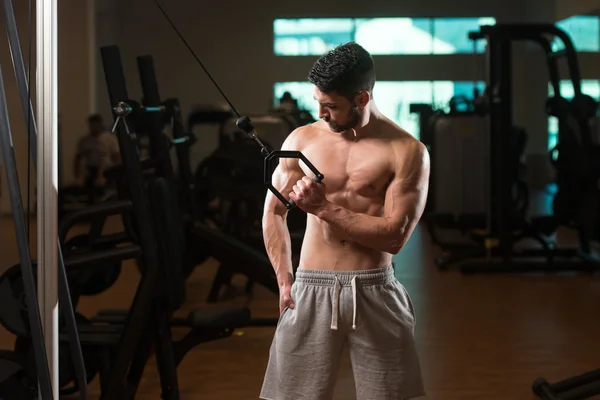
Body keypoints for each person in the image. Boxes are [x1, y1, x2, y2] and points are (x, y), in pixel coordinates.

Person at [260, 42, 430, 400]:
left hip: (376, 289)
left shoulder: (406, 150)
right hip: (309, 287)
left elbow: (394, 236)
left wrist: (324, 209)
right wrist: (283, 278)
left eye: (331, 106)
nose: (320, 113)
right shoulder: (302, 141)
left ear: (362, 99)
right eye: (317, 103)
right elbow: (273, 211)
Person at [73, 114, 120, 201]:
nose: (94, 127)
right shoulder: (85, 140)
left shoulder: (109, 138)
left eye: (96, 125)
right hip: (90, 170)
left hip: (106, 170)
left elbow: (116, 156)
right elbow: (78, 158)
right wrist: (77, 175)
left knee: (104, 194)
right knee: (89, 194)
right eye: (91, 125)